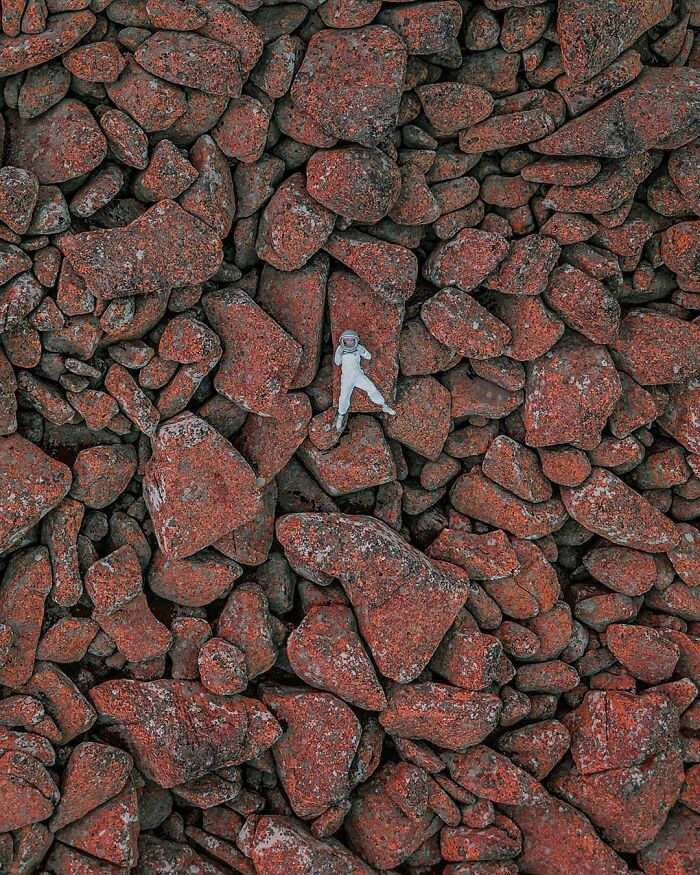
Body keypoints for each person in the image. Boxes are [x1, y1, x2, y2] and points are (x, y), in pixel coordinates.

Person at [334, 329, 396, 431]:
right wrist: (338, 353)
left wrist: (362, 351)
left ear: (355, 340)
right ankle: (341, 415)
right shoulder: (341, 349)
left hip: (358, 376)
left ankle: (383, 406)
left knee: (371, 388)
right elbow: (337, 363)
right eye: (347, 340)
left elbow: (368, 357)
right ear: (343, 341)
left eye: (351, 340)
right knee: (344, 396)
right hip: (346, 378)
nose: (349, 342)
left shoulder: (358, 347)